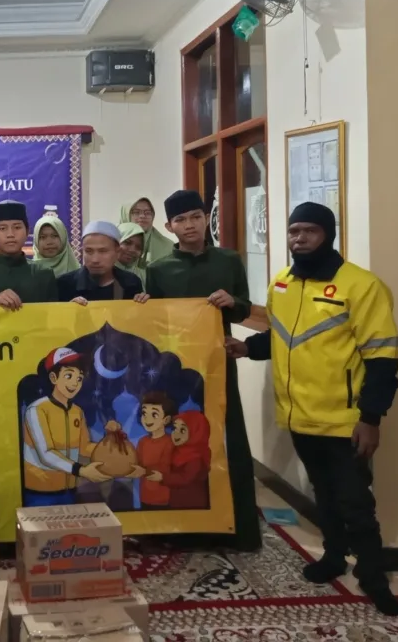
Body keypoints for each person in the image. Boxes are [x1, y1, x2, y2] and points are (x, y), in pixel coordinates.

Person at [226, 202, 398, 615]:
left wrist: (371, 418)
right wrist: (246, 348)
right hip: (298, 415)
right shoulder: (282, 284)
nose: (299, 238)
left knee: (356, 502)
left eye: (309, 231)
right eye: (294, 231)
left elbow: (382, 358)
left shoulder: (361, 285)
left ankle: (373, 576)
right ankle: (333, 557)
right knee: (322, 493)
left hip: (345, 420)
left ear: (328, 234)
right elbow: (283, 340)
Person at [145, 189, 260, 551]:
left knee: (227, 437)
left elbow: (244, 309)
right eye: (180, 220)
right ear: (169, 227)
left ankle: (236, 527)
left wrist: (232, 301)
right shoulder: (159, 270)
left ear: (206, 217)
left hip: (218, 363)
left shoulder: (228, 261)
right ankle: (180, 527)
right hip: (176, 367)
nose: (190, 225)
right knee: (179, 437)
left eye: (195, 216)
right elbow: (153, 323)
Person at [22, 348, 111, 506]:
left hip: (69, 491)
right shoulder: (37, 409)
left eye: (79, 378)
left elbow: (84, 447)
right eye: (69, 376)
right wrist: (81, 470)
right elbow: (46, 453)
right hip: (40, 493)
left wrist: (110, 447)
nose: (74, 383)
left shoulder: (77, 412)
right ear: (54, 377)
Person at [0, 201, 57, 309]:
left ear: (27, 231)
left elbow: (53, 315)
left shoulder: (44, 274)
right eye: (2, 228)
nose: (10, 234)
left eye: (17, 227)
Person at [57, 221, 148, 303]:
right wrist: (69, 310)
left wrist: (142, 304)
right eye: (89, 251)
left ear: (117, 252)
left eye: (103, 251)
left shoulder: (131, 283)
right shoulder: (64, 284)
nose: (95, 260)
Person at [131, 392, 177, 510]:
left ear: (166, 419)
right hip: (145, 496)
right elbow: (136, 463)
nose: (147, 419)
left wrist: (144, 471)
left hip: (164, 498)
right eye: (144, 413)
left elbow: (165, 467)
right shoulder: (142, 441)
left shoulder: (170, 442)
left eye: (154, 414)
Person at [166, 411, 212, 510]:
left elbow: (185, 479)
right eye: (174, 428)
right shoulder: (176, 451)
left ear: (196, 433)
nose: (176, 433)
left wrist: (162, 477)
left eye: (182, 430)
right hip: (176, 502)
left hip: (192, 505)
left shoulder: (196, 458)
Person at [120, 198, 174, 271]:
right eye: (136, 212)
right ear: (125, 215)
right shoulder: (112, 241)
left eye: (147, 213)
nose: (142, 216)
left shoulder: (168, 247)